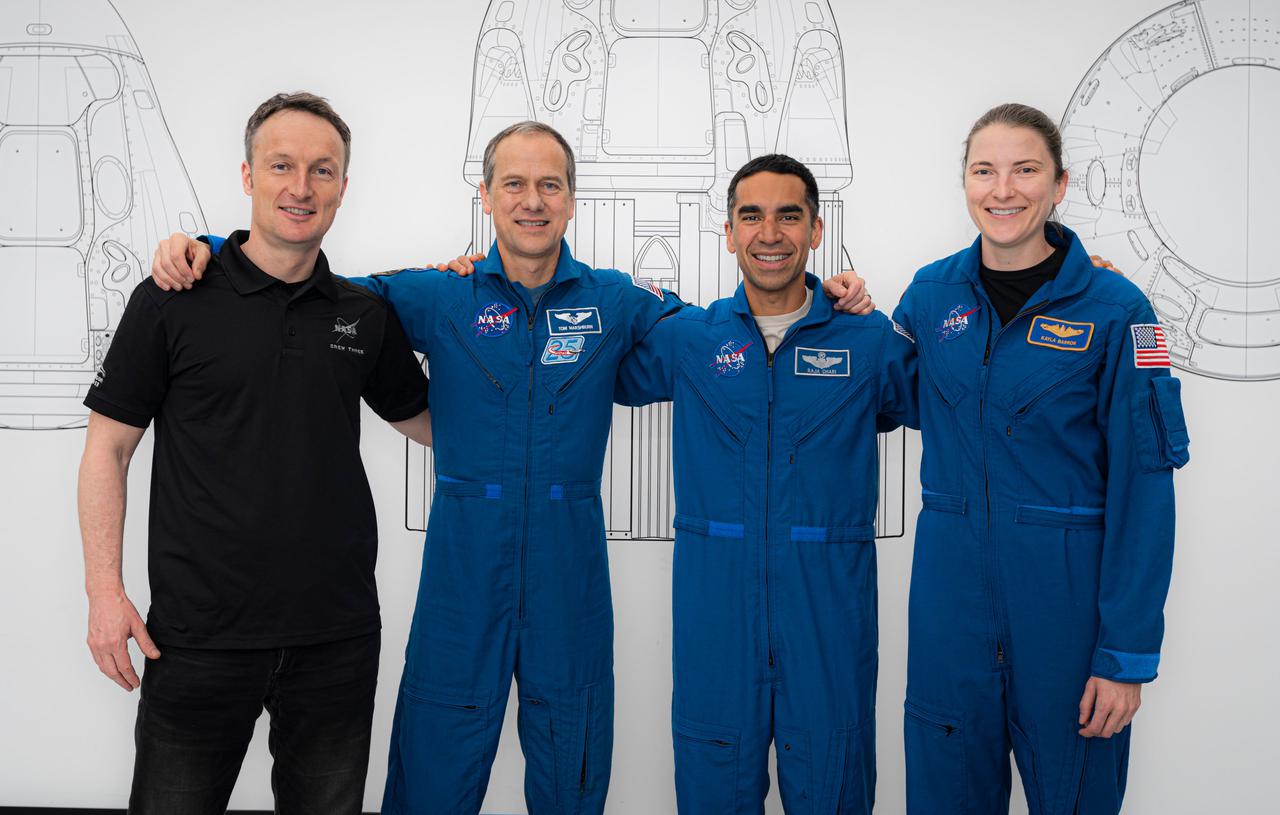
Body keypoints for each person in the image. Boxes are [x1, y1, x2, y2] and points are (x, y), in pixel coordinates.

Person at [77, 92, 432, 814]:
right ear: (247, 176)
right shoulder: (172, 296)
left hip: (335, 641)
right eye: (282, 165)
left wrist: (480, 303)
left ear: (342, 185)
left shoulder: (363, 314)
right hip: (196, 639)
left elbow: (432, 424)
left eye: (321, 170)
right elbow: (107, 450)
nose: (300, 187)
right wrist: (104, 594)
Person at [889, 103, 1189, 814]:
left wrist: (1125, 657)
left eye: (1025, 170)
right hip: (949, 605)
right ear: (964, 182)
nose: (1004, 189)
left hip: (1066, 610)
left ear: (1059, 184)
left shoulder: (1117, 309)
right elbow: (880, 398)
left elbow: (1146, 492)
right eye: (985, 170)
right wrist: (843, 308)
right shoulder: (930, 298)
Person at [613, 154, 917, 813]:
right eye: (751, 215)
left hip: (829, 612)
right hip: (715, 611)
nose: (769, 232)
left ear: (815, 228)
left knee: (833, 784)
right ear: (728, 231)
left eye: (788, 215)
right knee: (712, 785)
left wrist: (1079, 281)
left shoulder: (866, 341)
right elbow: (590, 354)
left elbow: (959, 392)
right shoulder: (690, 339)